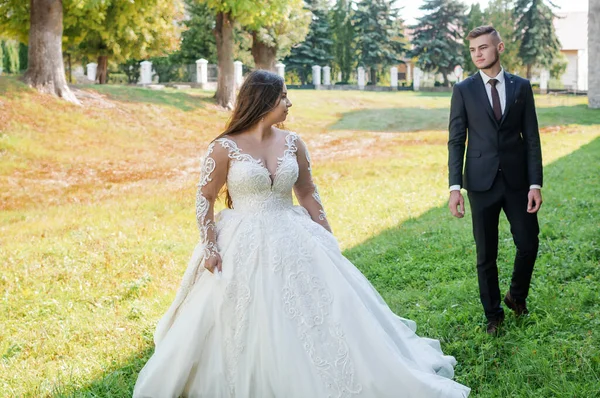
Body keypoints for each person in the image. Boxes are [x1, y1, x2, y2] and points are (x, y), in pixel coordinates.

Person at [134, 70, 470, 397]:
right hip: (242, 239)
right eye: (283, 97)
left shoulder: (293, 143)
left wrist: (326, 236)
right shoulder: (224, 147)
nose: (289, 103)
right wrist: (209, 245)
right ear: (263, 101)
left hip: (292, 232)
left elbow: (307, 192)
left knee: (322, 311)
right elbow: (205, 197)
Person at [448, 25, 543, 335]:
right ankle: (493, 315)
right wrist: (454, 187)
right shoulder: (463, 90)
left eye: (484, 48)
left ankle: (516, 295)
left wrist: (535, 184)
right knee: (485, 253)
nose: (478, 54)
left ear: (499, 48)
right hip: (480, 182)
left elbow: (531, 138)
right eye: (474, 49)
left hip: (517, 181)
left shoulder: (521, 87)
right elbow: (456, 139)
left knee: (528, 243)